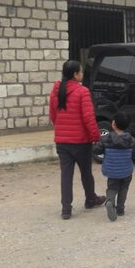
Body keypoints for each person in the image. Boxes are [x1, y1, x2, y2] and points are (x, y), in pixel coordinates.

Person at [49, 60, 105, 220]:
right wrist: (96, 136)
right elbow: (88, 118)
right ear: (75, 74)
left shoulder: (56, 90)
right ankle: (90, 199)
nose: (82, 74)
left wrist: (60, 129)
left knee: (66, 175)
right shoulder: (82, 92)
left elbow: (53, 115)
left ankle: (66, 209)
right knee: (86, 172)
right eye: (81, 72)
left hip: (62, 141)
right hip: (81, 142)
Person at [92, 112, 135, 221]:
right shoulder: (131, 140)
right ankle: (120, 209)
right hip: (126, 170)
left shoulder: (106, 139)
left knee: (112, 188)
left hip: (112, 171)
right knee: (124, 189)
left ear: (113, 124)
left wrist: (95, 144)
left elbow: (96, 150)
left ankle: (109, 201)